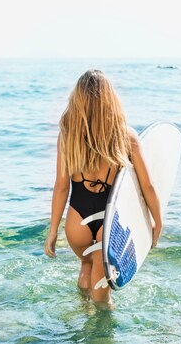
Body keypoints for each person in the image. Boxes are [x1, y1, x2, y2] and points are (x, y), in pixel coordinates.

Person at [44, 69, 162, 305]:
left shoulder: (67, 137)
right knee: (103, 297)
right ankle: (100, 331)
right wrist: (157, 221)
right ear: (110, 100)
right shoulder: (126, 137)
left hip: (78, 220)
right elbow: (147, 186)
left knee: (86, 267)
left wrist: (53, 230)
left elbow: (61, 187)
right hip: (108, 223)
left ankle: (81, 318)